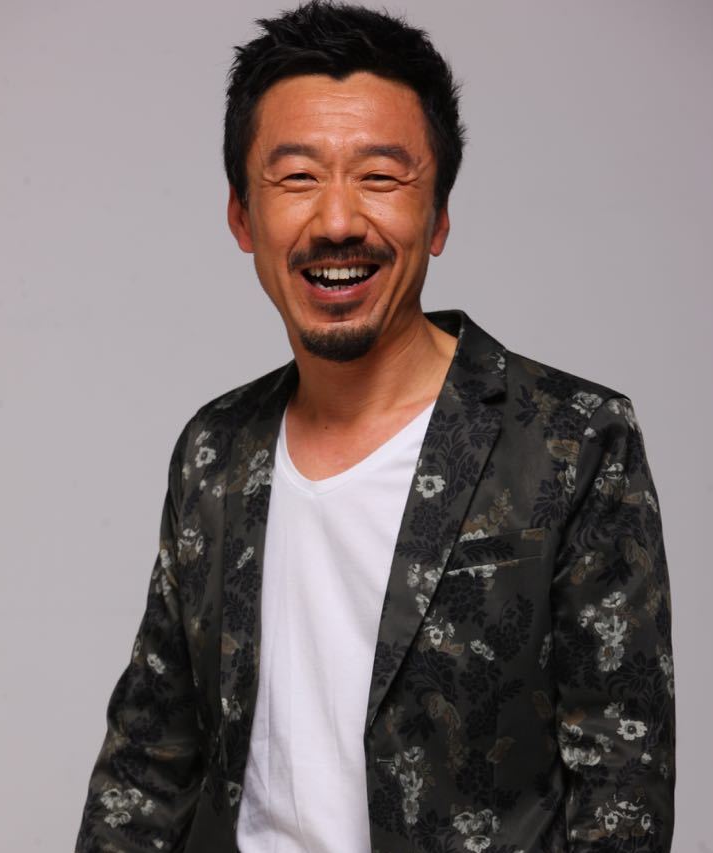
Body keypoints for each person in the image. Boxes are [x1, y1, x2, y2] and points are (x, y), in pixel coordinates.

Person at [75, 3, 675, 851]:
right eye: (296, 177)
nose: (336, 222)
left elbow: (622, 795)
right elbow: (146, 764)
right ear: (242, 216)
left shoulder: (570, 443)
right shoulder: (215, 449)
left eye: (380, 177)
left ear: (437, 216)